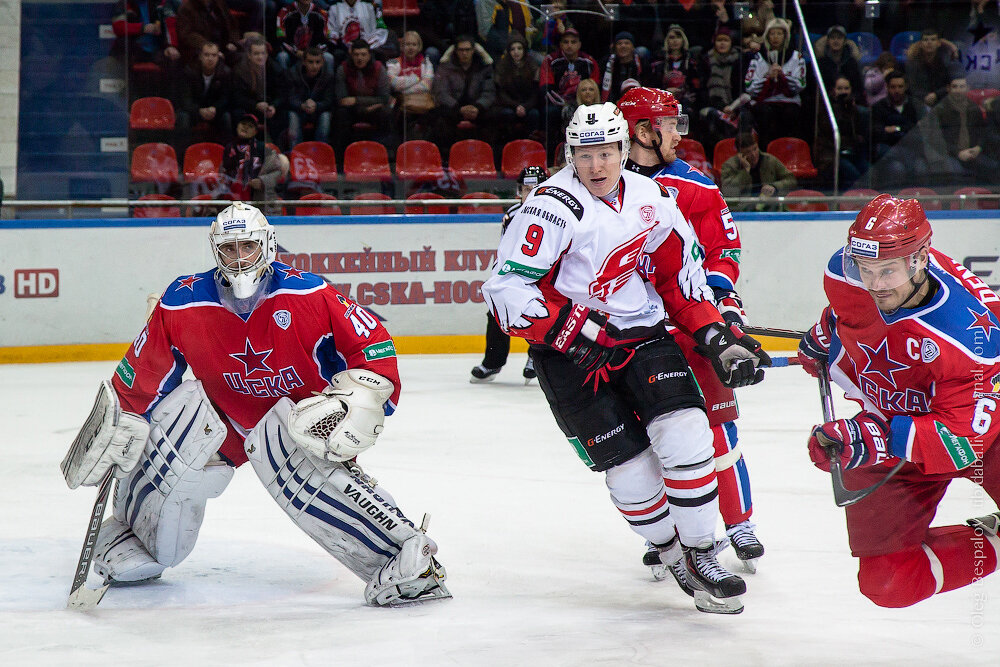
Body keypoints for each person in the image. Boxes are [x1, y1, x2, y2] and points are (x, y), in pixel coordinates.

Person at [60, 202, 450, 606]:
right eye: (229, 249)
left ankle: (406, 560)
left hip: (296, 420)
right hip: (221, 417)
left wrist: (361, 400)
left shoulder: (311, 293)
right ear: (216, 250)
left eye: (248, 246)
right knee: (170, 444)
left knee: (314, 478)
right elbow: (145, 371)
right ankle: (136, 537)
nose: (239, 257)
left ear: (268, 245)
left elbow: (374, 346)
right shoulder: (181, 300)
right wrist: (122, 420)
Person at [481, 102, 770, 615]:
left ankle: (704, 552)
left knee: (686, 432)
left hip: (640, 334)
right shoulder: (550, 206)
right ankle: (671, 551)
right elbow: (504, 289)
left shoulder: (653, 199)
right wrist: (572, 333)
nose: (597, 166)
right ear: (571, 156)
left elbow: (678, 281)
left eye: (606, 153)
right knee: (629, 471)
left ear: (622, 151)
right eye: (585, 154)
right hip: (567, 354)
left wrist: (714, 334)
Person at [796, 193, 1000, 608]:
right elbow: (845, 310)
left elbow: (964, 443)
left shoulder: (972, 337)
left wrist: (876, 435)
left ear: (919, 258)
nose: (874, 284)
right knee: (889, 582)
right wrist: (829, 335)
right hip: (897, 424)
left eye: (886, 271)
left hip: (981, 432)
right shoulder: (845, 272)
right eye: (866, 269)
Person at [619, 86, 765, 575]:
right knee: (655, 439)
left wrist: (725, 309)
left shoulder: (697, 187)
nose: (678, 137)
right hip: (636, 337)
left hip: (694, 330)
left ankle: (738, 521)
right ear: (642, 131)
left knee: (718, 434)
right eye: (669, 126)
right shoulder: (605, 189)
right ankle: (677, 535)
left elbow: (724, 254)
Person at [470, 165, 549, 384]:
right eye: (526, 189)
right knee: (497, 311)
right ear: (519, 191)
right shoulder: (512, 215)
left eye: (537, 188)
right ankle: (493, 362)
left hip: (548, 278)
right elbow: (506, 250)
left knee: (543, 314)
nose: (531, 194)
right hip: (518, 273)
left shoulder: (557, 212)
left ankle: (536, 358)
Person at [744, 17, 806, 149]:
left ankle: (789, 153)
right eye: (772, 34)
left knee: (791, 115)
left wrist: (783, 77)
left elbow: (801, 84)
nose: (775, 37)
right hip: (765, 102)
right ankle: (765, 153)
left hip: (789, 102)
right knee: (765, 115)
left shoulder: (797, 57)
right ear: (767, 36)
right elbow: (749, 86)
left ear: (785, 36)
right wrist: (767, 77)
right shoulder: (758, 57)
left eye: (779, 33)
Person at [430, 35, 496, 153]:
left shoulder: (483, 67)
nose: (464, 53)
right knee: (439, 117)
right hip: (454, 107)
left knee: (494, 117)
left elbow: (489, 91)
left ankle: (486, 155)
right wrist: (458, 108)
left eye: (467, 50)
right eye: (461, 50)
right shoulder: (446, 67)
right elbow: (441, 92)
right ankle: (446, 156)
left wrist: (478, 107)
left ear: (473, 51)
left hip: (477, 107)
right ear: (455, 51)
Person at [870, 70, 927, 188]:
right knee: (897, 168)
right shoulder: (878, 107)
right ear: (887, 87)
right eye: (893, 87)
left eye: (900, 87)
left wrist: (895, 129)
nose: (897, 90)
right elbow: (877, 133)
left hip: (912, 151)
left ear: (906, 87)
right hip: (889, 154)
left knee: (921, 168)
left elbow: (919, 132)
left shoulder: (916, 106)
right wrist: (903, 130)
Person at [218, 113, 288, 209]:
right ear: (237, 126)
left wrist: (262, 181)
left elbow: (277, 172)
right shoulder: (229, 149)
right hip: (231, 198)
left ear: (255, 131)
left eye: (250, 126)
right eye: (243, 124)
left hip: (258, 200)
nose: (245, 127)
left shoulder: (263, 149)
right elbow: (223, 172)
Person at [814, 76, 871, 191]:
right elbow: (830, 132)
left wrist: (850, 109)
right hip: (832, 154)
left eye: (846, 88)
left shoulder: (854, 108)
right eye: (840, 89)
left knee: (868, 171)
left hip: (852, 152)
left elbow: (858, 132)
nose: (843, 92)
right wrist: (841, 108)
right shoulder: (826, 108)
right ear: (834, 90)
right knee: (852, 173)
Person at [719, 130, 796, 212]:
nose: (753, 154)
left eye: (755, 149)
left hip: (769, 206)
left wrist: (775, 186)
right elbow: (728, 192)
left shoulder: (769, 160)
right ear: (740, 154)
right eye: (748, 152)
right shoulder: (729, 166)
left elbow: (791, 180)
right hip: (742, 209)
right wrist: (745, 172)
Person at [176, 40, 233, 147]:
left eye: (214, 55)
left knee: (227, 117)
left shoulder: (225, 72)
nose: (210, 59)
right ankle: (181, 158)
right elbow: (185, 100)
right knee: (183, 118)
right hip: (194, 111)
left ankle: (227, 157)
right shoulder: (189, 71)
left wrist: (215, 108)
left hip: (213, 111)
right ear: (200, 56)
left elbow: (226, 98)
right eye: (206, 55)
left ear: (218, 57)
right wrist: (199, 110)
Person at [286, 47, 336, 147]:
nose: (314, 66)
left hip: (319, 111)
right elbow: (289, 98)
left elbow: (329, 100)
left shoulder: (329, 75)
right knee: (292, 117)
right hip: (299, 110)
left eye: (318, 62)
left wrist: (316, 105)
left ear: (323, 62)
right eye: (310, 62)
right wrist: (302, 105)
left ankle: (321, 154)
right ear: (304, 62)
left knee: (326, 118)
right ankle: (295, 153)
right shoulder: (293, 73)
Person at [600, 31, 645, 104]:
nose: (623, 46)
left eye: (627, 43)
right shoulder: (607, 64)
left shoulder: (642, 64)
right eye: (619, 43)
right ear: (615, 47)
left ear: (633, 47)